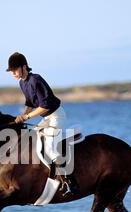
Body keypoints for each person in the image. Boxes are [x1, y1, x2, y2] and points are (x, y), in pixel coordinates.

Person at [7, 52, 79, 196]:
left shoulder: (36, 80)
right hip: (46, 118)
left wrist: (27, 116)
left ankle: (70, 182)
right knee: (31, 141)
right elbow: (29, 103)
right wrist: (23, 116)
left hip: (56, 116)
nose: (13, 73)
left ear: (24, 67)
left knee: (51, 149)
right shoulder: (22, 83)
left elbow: (45, 106)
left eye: (15, 69)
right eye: (11, 71)